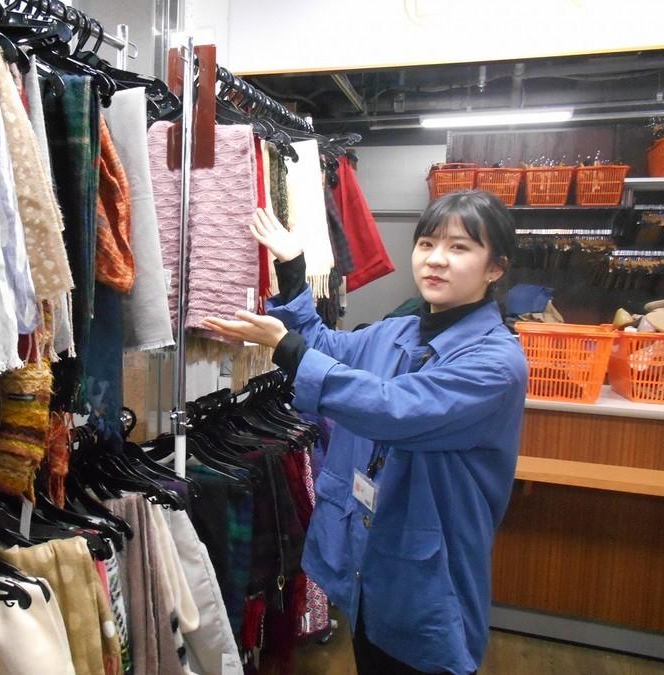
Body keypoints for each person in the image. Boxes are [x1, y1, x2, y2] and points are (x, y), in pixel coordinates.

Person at [201, 190, 528, 675]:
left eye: (459, 248)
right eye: (427, 244)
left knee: (420, 656)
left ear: (495, 268)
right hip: (369, 558)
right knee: (370, 651)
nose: (436, 259)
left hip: (427, 570)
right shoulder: (397, 332)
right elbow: (324, 345)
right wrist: (293, 268)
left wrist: (287, 348)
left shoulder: (495, 364)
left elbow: (394, 410)